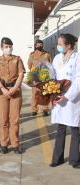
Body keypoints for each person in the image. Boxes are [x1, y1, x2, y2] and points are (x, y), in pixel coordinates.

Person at [50, 33, 80, 169]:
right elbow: (52, 76)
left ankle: (74, 160)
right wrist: (50, 91)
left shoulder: (77, 58)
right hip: (58, 97)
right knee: (60, 128)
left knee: (74, 129)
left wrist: (67, 96)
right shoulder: (57, 58)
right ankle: (57, 158)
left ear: (68, 45)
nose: (58, 46)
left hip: (71, 99)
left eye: (61, 44)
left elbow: (79, 80)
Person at [0, 37, 25, 154]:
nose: (8, 48)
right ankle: (4, 144)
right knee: (3, 120)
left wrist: (15, 88)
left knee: (14, 120)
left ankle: (15, 144)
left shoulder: (17, 59)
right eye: (6, 47)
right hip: (2, 92)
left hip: (15, 91)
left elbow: (21, 74)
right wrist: (2, 88)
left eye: (10, 46)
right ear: (1, 48)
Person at [28, 39, 52, 116]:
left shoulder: (47, 54)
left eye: (41, 44)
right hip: (35, 77)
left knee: (45, 93)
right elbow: (29, 65)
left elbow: (51, 65)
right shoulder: (32, 55)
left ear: (43, 45)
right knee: (35, 93)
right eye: (38, 45)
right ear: (35, 45)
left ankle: (45, 109)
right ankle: (34, 109)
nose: (39, 46)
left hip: (45, 77)